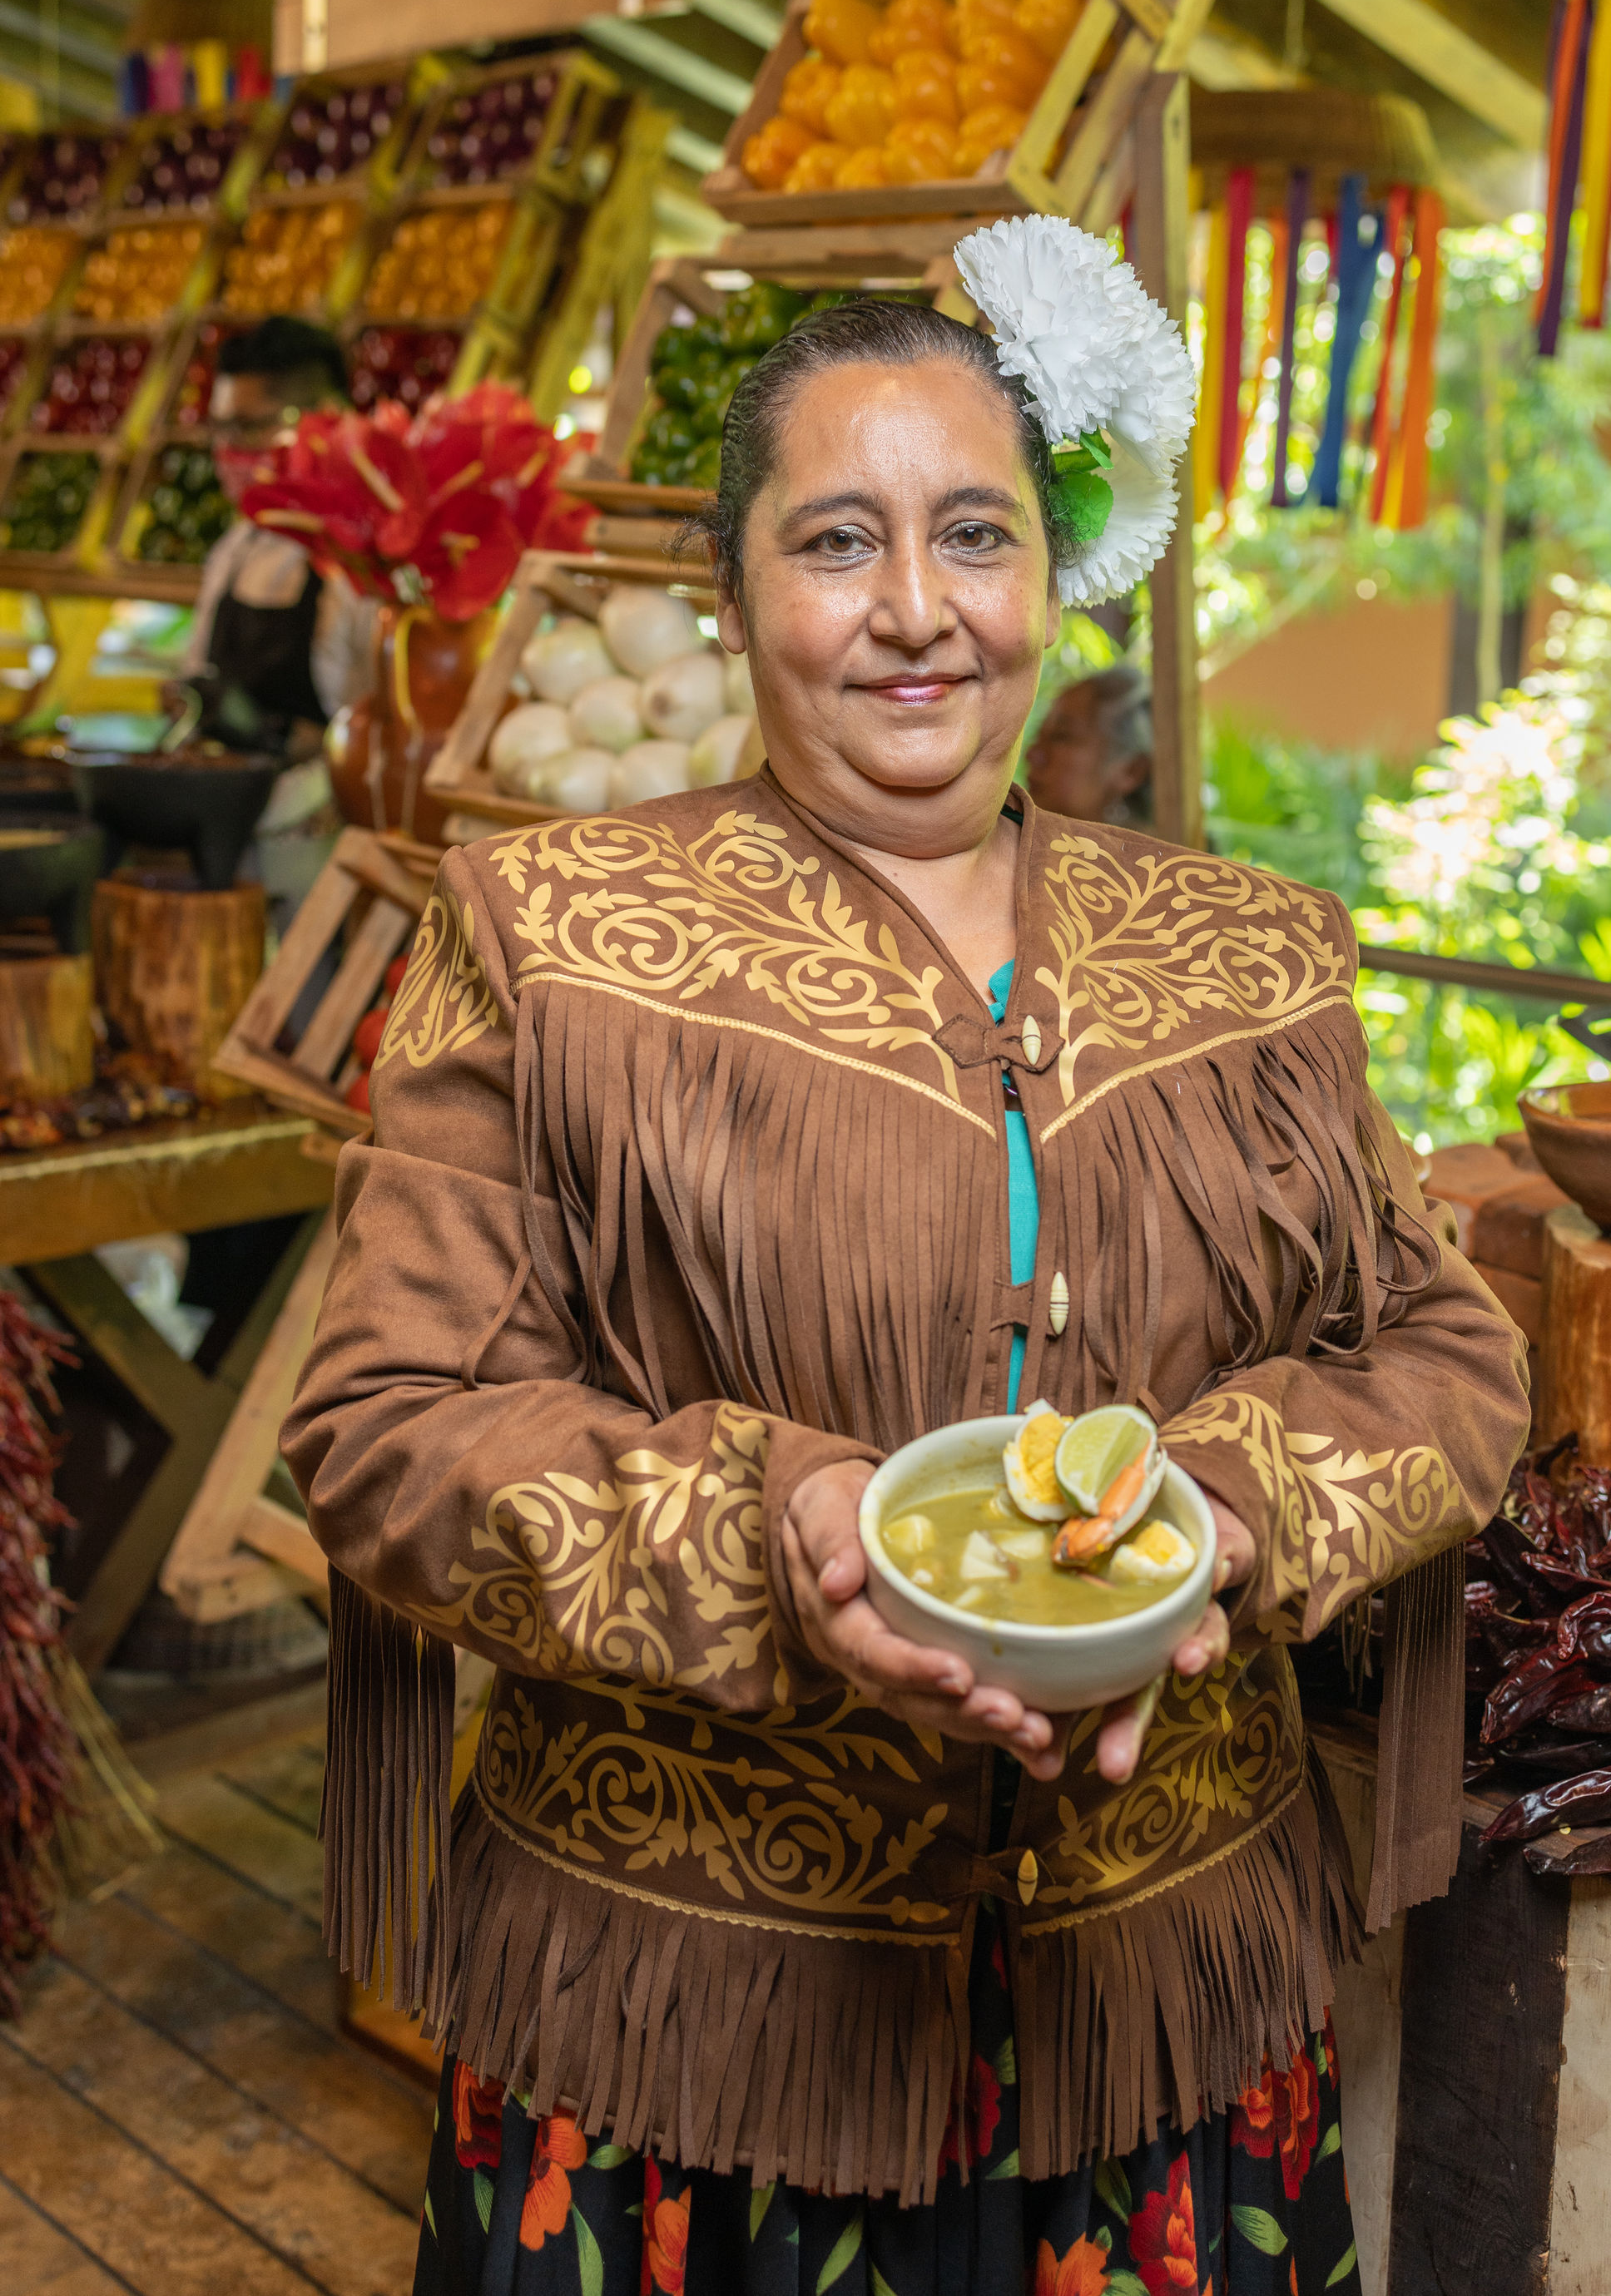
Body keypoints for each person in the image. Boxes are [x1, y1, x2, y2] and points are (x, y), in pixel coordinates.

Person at [283, 232, 1529, 2296]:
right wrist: (783, 1530)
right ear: (736, 586)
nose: (914, 609)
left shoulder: (1243, 947)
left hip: (1159, 2016)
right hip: (681, 2026)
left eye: (974, 533)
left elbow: (1441, 1348)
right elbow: (381, 1421)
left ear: (1056, 574)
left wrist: (1220, 1517)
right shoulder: (550, 935)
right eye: (836, 539)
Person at [182, 315, 370, 754]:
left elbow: (388, 739)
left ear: (325, 419)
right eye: (219, 429)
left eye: (246, 428)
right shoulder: (235, 549)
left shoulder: (366, 566)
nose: (227, 450)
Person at [1025, 665, 1153, 829]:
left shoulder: (1150, 854)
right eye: (1039, 735)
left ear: (1132, 770)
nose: (1033, 754)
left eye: (1061, 736)